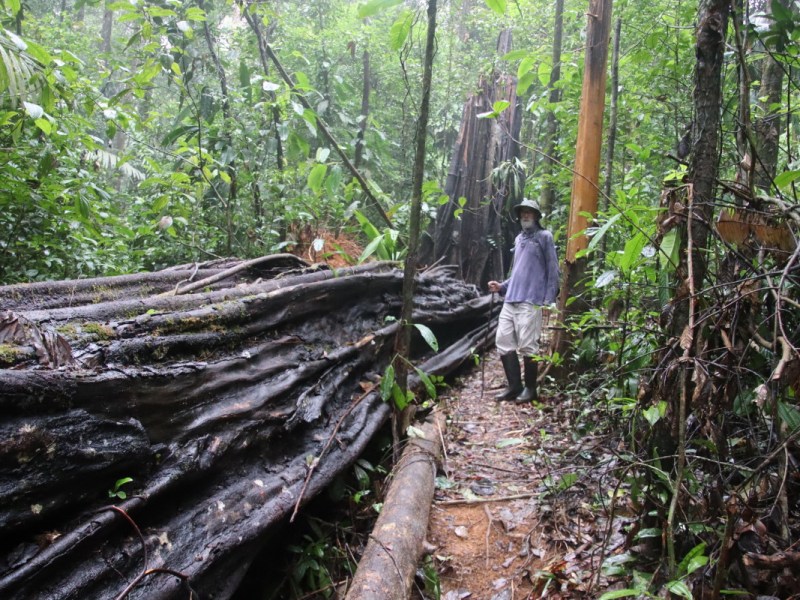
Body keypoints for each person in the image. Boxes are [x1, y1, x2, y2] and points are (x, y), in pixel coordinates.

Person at [488, 198, 560, 403]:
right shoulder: (519, 239)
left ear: (537, 216)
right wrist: (502, 286)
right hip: (511, 300)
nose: (525, 216)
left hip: (531, 300)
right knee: (503, 341)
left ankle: (530, 389)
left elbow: (553, 270)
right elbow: (518, 272)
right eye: (523, 213)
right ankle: (514, 386)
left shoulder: (544, 237)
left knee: (529, 346)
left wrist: (549, 300)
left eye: (529, 212)